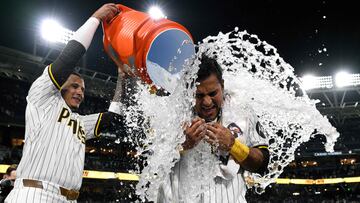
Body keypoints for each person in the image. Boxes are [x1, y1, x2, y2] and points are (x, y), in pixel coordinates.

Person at [5, 3, 126, 203]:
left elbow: (113, 117)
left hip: (68, 199)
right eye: (75, 86)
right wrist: (95, 19)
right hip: (34, 194)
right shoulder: (42, 98)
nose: (80, 92)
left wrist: (121, 77)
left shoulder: (79, 122)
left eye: (83, 89)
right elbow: (68, 59)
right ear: (60, 85)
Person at [158, 55, 270, 202]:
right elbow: (149, 162)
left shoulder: (242, 111)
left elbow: (261, 164)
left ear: (222, 86)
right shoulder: (170, 113)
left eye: (213, 93)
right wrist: (183, 145)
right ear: (188, 91)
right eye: (198, 95)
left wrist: (233, 145)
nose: (207, 102)